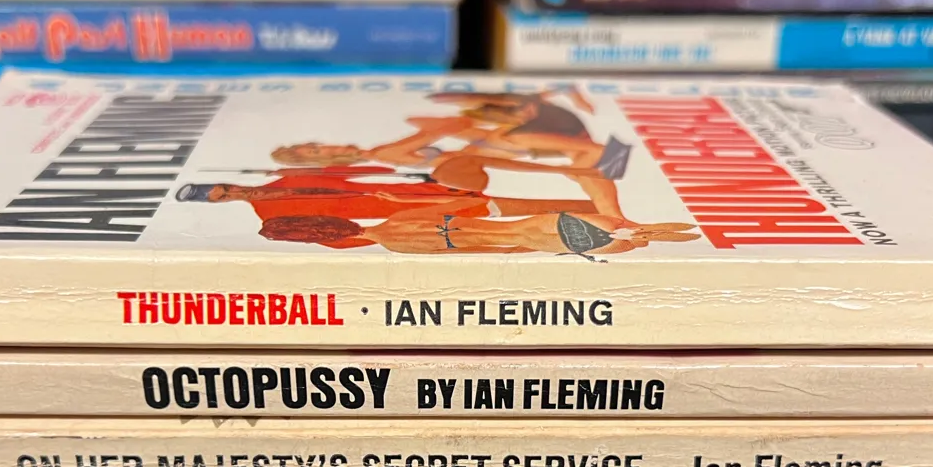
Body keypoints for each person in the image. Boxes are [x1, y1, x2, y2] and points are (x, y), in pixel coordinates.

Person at [267, 87, 632, 215]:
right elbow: (442, 131)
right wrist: (446, 122)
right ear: (324, 159)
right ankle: (604, 171)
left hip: (474, 156)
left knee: (577, 164)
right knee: (563, 155)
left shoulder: (382, 154)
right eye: (318, 150)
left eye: (317, 144)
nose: (327, 145)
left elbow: (445, 135)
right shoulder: (383, 153)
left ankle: (606, 193)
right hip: (472, 161)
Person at [251, 210, 700, 260]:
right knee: (635, 230)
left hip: (535, 239)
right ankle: (688, 231)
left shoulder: (394, 243)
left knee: (634, 240)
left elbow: (478, 244)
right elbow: (471, 216)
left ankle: (684, 235)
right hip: (538, 224)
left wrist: (516, 250)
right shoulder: (396, 221)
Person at [175, 179, 603, 223]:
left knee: (519, 203)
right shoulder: (270, 215)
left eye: (226, 187)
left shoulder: (288, 178)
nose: (235, 193)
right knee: (513, 214)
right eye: (224, 198)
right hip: (408, 213)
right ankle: (605, 216)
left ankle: (606, 210)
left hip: (419, 193)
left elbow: (359, 176)